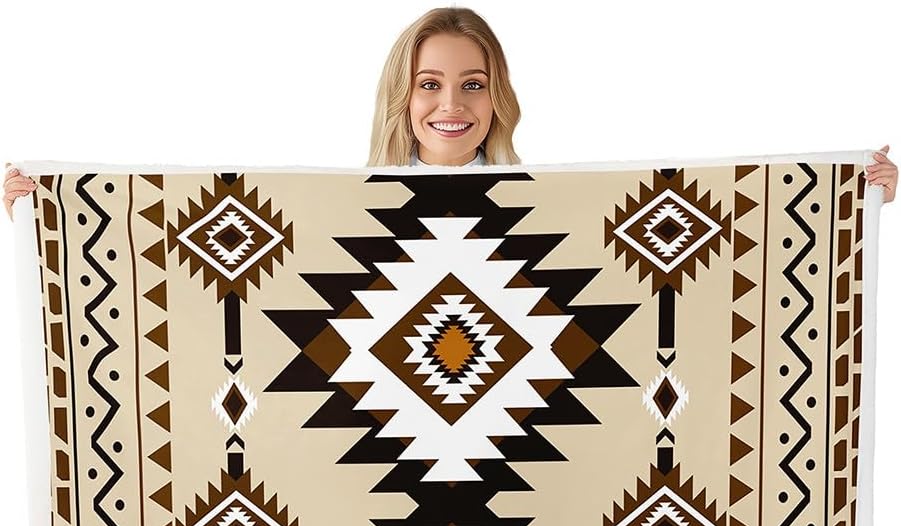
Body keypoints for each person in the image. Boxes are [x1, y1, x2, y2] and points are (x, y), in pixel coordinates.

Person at [4, 4, 898, 210]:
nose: (450, 104)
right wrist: (53, 209)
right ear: (402, 96)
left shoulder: (549, 214)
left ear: (498, 95)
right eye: (429, 83)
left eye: (473, 83)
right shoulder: (338, 217)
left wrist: (841, 199)